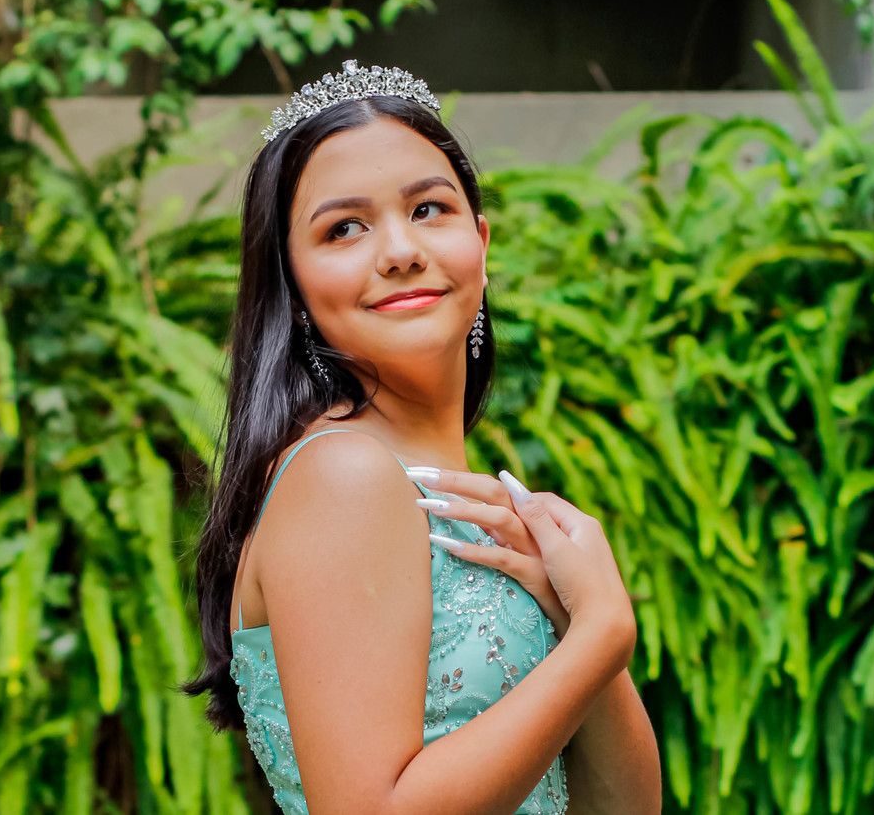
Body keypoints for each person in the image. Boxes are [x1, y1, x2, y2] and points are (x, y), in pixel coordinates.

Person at [186, 60, 661, 814]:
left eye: (428, 208)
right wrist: (602, 634)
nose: (400, 250)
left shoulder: (460, 500)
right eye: (344, 228)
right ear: (293, 285)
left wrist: (577, 621)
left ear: (481, 243)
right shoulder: (343, 475)